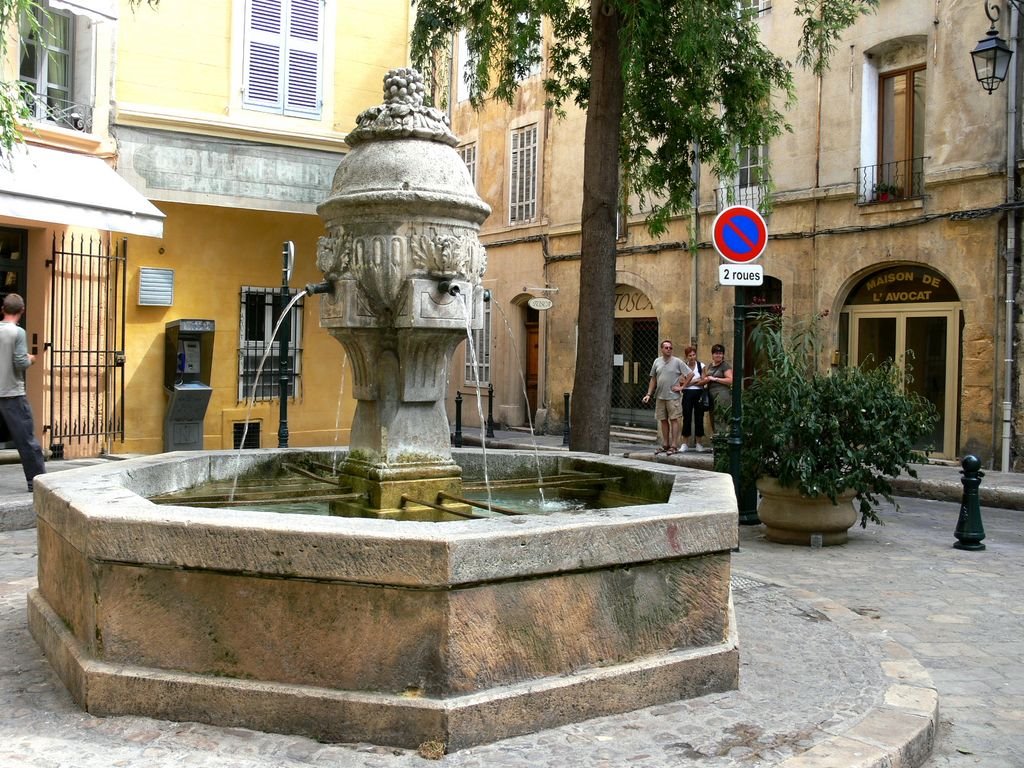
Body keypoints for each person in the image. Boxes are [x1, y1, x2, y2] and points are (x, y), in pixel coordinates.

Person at [0, 293, 46, 492]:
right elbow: (20, 362)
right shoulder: (17, 333)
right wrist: (32, 358)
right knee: (27, 441)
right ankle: (36, 484)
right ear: (22, 311)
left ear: (3, 309)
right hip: (12, 395)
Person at [641, 339, 693, 455]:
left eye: (670, 347)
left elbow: (690, 374)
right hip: (660, 396)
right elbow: (653, 378)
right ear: (662, 349)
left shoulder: (677, 362)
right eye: (666, 347)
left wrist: (682, 387)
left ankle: (674, 445)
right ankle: (665, 444)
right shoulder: (657, 361)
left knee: (674, 420)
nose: (669, 349)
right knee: (663, 420)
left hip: (673, 397)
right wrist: (648, 394)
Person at [696, 342, 734, 437]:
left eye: (720, 353)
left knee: (720, 418)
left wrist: (715, 379)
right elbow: (706, 378)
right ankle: (717, 441)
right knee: (713, 418)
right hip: (711, 396)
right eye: (716, 353)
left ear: (723, 355)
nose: (718, 355)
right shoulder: (710, 366)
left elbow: (730, 380)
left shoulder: (725, 366)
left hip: (722, 395)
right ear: (712, 355)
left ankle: (722, 442)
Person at [679, 345, 707, 452]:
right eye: (690, 355)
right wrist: (695, 381)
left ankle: (699, 443)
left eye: (694, 354)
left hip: (699, 393)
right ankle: (685, 443)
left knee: (699, 417)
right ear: (686, 357)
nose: (692, 357)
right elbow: (681, 382)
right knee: (687, 417)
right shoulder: (683, 366)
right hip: (687, 394)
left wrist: (687, 383)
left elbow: (704, 380)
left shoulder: (701, 365)